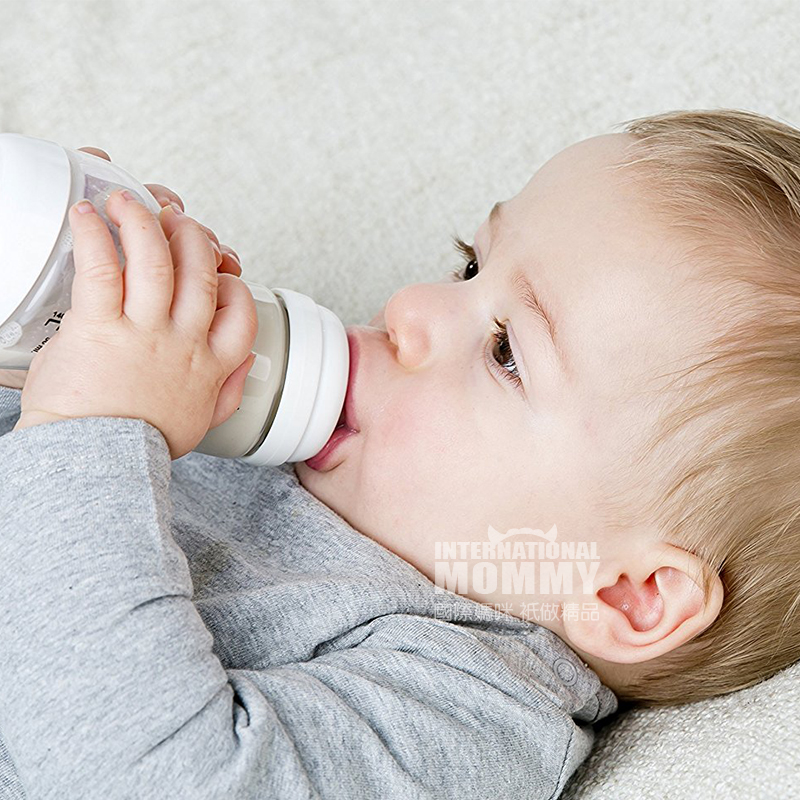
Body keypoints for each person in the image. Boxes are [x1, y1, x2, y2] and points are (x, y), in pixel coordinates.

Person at [1, 108, 798, 799]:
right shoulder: (340, 448)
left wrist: (91, 424)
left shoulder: (471, 705)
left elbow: (142, 780)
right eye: (471, 265)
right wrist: (56, 302)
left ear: (629, 596)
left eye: (506, 352)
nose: (410, 305)